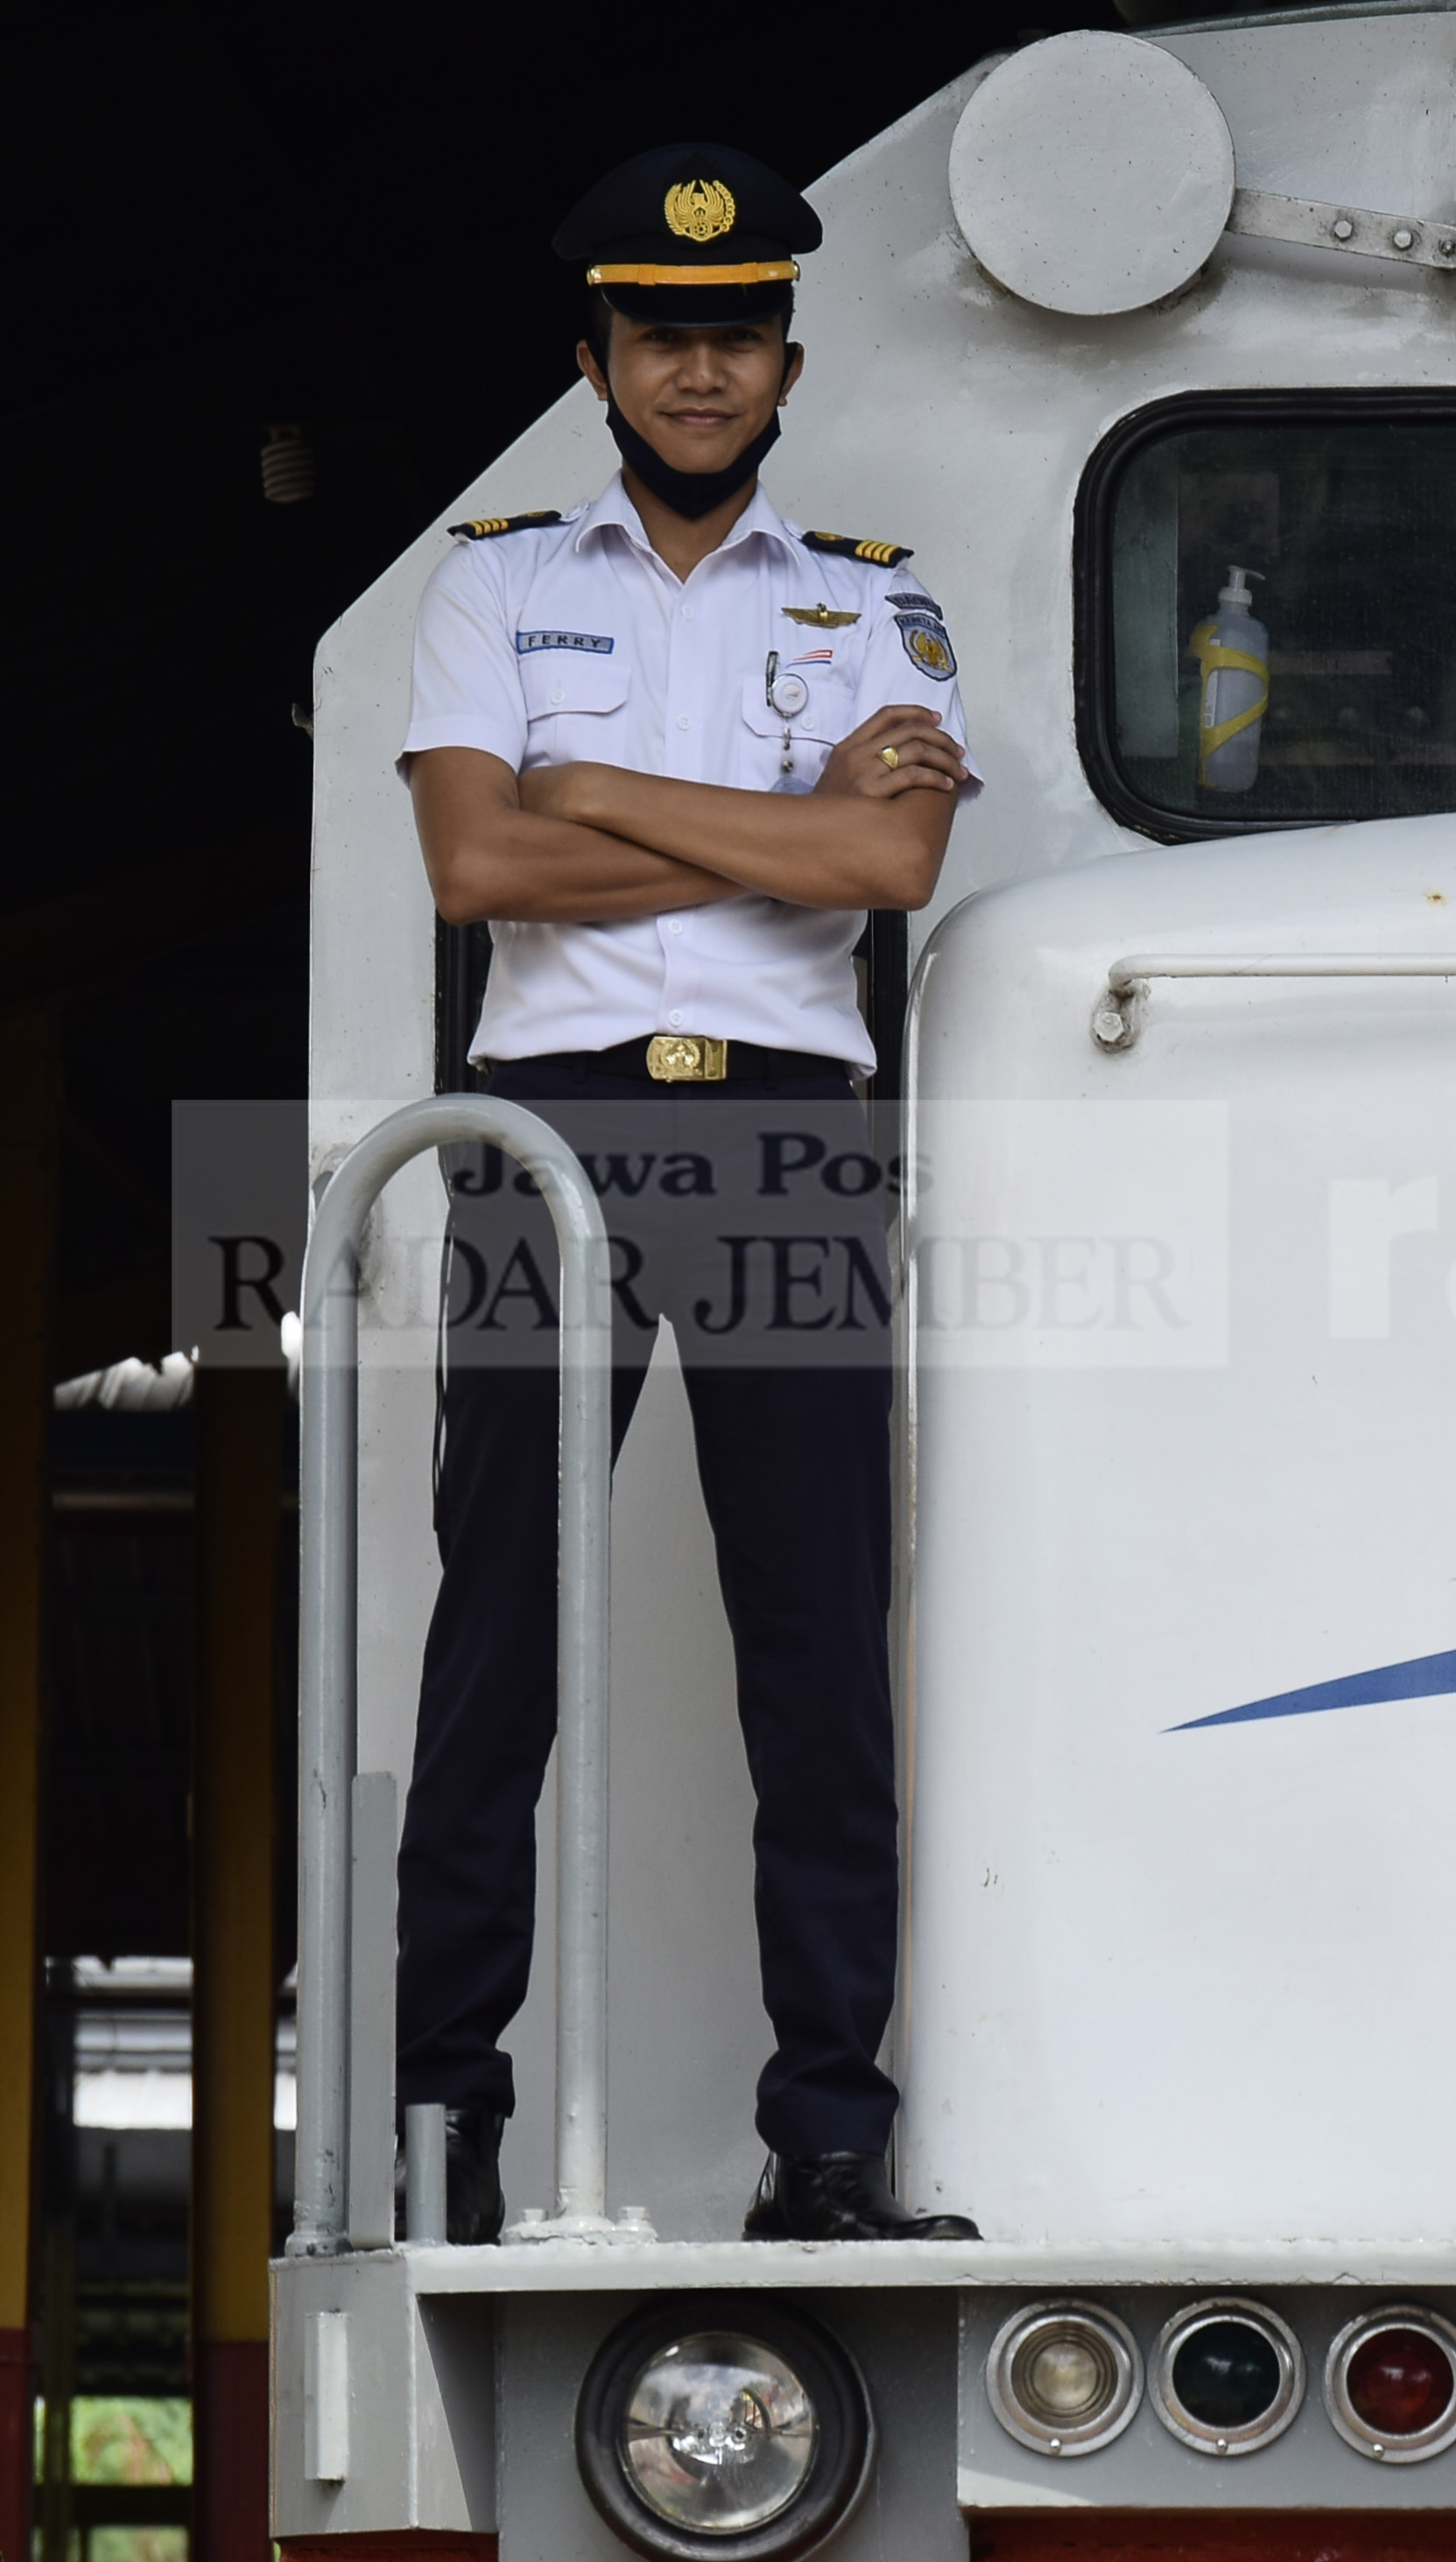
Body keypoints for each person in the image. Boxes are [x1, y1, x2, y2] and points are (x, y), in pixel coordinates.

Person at [393, 143, 981, 2242]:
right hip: (548, 1133)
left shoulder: (875, 597)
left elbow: (890, 871)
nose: (700, 369)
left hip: (791, 1147)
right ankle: (441, 2122)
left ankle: (825, 2142)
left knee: (817, 1652)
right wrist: (771, 825)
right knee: (498, 1648)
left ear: (789, 360)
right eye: (663, 336)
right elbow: (479, 872)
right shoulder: (493, 582)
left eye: (733, 335)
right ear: (599, 362)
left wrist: (602, 797)